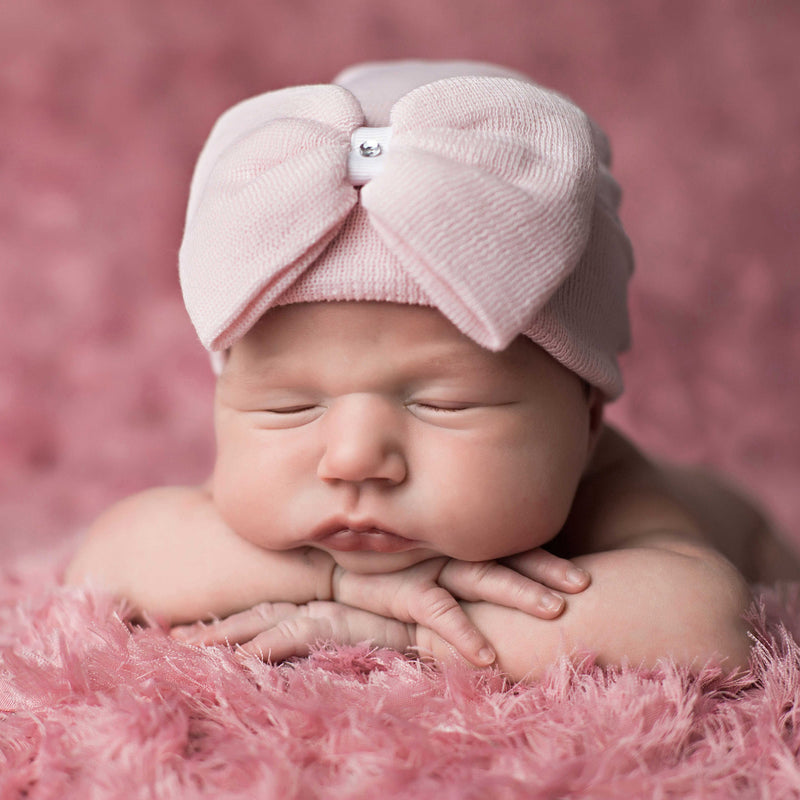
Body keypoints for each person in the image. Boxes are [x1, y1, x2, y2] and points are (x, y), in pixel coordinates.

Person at [65, 60, 795, 683]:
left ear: (587, 419)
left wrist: (410, 633)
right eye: (288, 407)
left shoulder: (607, 490)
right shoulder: (295, 504)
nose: (352, 457)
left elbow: (701, 619)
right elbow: (109, 557)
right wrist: (346, 582)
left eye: (443, 404)